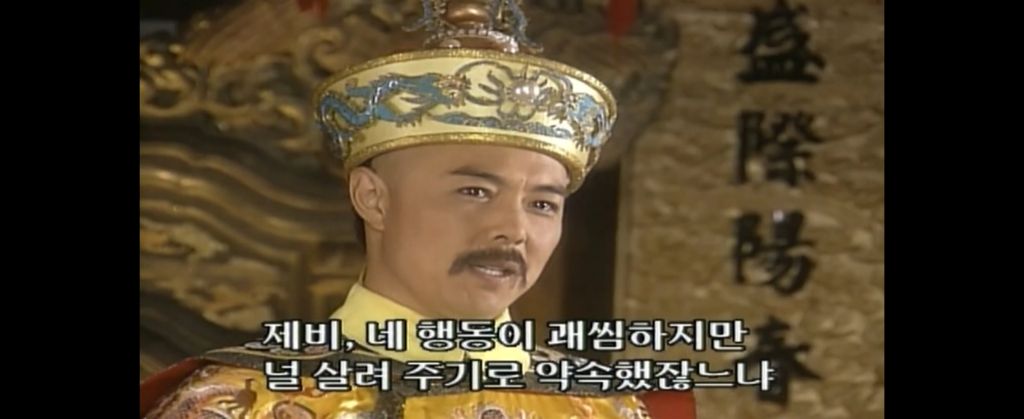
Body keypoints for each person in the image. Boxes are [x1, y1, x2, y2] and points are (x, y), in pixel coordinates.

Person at [140, 1, 696, 417]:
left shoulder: (599, 409)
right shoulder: (243, 401)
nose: (513, 230)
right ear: (373, 198)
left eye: (543, 203)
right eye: (474, 191)